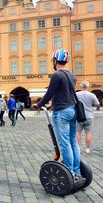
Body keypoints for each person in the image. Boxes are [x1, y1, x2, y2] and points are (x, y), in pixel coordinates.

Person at [34, 49, 82, 179]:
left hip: (62, 112)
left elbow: (50, 93)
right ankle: (76, 171)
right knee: (73, 141)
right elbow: (64, 93)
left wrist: (39, 104)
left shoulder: (56, 75)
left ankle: (70, 172)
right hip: (72, 110)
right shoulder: (71, 75)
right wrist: (52, 105)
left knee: (65, 142)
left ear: (55, 61)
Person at [76, 81, 100, 154]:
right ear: (88, 86)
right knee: (88, 132)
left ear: (81, 86)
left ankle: (78, 148)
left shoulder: (76, 94)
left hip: (79, 116)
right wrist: (90, 104)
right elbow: (97, 104)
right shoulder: (91, 95)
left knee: (77, 132)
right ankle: (87, 149)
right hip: (89, 116)